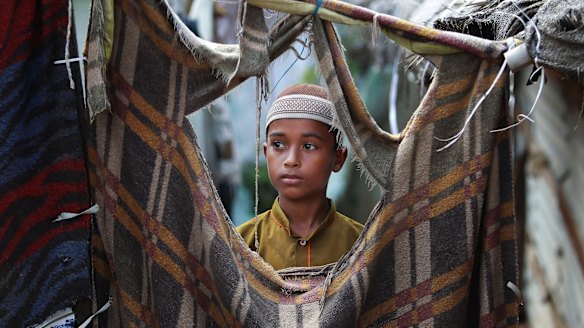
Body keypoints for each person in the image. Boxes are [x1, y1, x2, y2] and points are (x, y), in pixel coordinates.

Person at [237, 84, 363, 270]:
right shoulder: (239, 245)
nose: (291, 160)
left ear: (338, 158)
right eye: (278, 144)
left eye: (309, 146)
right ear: (266, 153)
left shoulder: (362, 246)